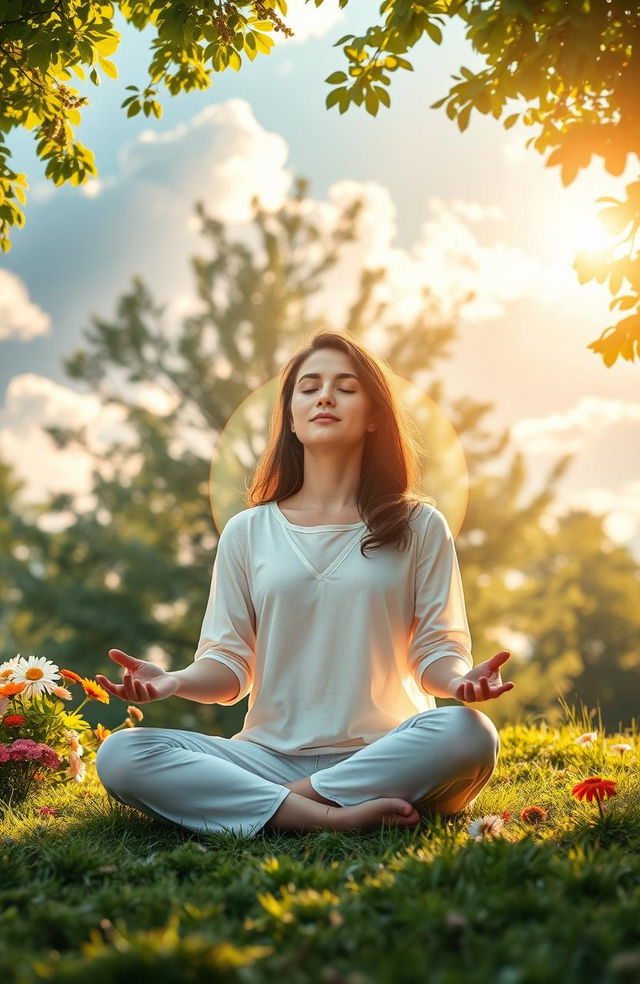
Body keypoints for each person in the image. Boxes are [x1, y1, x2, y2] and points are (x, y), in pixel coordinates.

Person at [95, 331, 514, 838]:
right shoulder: (248, 531)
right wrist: (175, 681)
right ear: (290, 417)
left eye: (346, 387)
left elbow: (435, 650)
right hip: (266, 757)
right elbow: (229, 665)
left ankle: (269, 808)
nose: (325, 397)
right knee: (122, 753)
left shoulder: (419, 525)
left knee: (468, 734)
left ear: (375, 415)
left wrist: (459, 682)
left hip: (383, 753)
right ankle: (327, 817)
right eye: (309, 387)